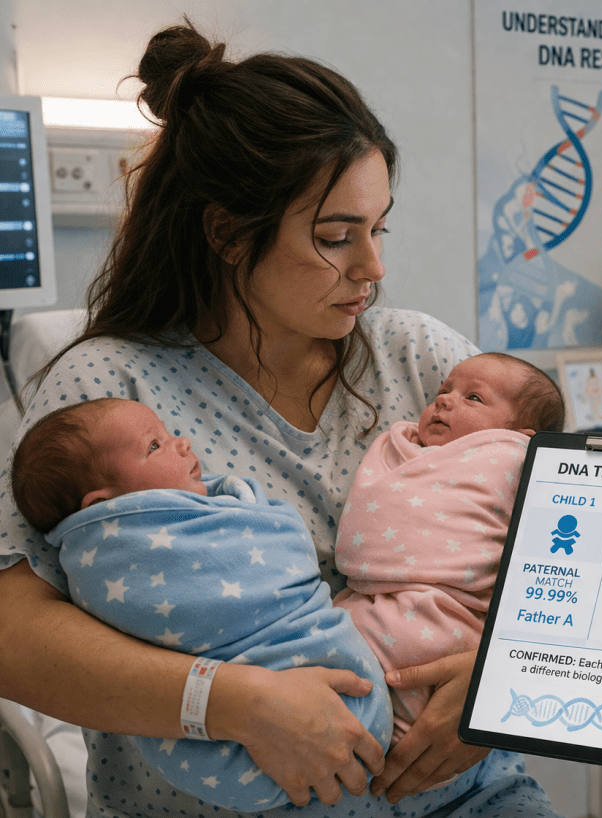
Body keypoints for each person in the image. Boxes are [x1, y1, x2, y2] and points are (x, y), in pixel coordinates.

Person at [0, 19, 562, 818]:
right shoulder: (112, 391)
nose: (373, 269)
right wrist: (231, 704)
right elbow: (12, 634)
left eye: (378, 229)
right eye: (336, 237)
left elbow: (576, 556)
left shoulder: (426, 363)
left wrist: (504, 672)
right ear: (229, 233)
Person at [10, 397, 393, 811]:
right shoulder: (111, 547)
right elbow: (13, 638)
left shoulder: (417, 348)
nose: (182, 444)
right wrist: (234, 701)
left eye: (169, 433)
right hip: (244, 728)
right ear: (102, 506)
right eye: (154, 446)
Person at [334, 352, 564, 745]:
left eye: (473, 398)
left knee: (366, 644)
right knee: (336, 633)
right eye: (444, 391)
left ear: (521, 437)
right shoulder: (404, 452)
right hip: (374, 597)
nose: (443, 400)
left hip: (451, 610)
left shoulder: (515, 460)